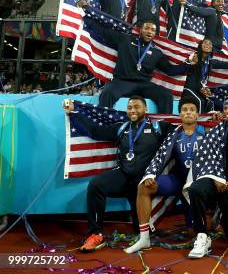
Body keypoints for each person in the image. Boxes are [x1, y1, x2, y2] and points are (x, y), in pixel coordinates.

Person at [63, 96, 174, 252]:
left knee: (140, 229)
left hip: (142, 184)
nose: (133, 110)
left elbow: (182, 129)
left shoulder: (158, 127)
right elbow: (96, 131)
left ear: (146, 109)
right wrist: (74, 113)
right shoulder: (122, 128)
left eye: (137, 107)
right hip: (123, 177)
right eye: (129, 107)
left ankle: (143, 232)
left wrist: (209, 121)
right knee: (96, 185)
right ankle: (95, 234)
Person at [124, 96, 209, 254]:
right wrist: (149, 174)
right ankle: (144, 238)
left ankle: (204, 234)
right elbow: (160, 156)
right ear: (180, 115)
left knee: (194, 228)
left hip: (199, 183)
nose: (188, 113)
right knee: (143, 186)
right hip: (177, 180)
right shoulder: (174, 134)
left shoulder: (207, 132)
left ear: (198, 114)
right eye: (184, 110)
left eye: (192, 110)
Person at [187, 95, 228, 258]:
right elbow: (206, 156)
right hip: (217, 177)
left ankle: (225, 220)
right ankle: (202, 236)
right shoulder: (217, 130)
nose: (227, 111)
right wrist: (216, 178)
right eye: (225, 108)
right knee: (195, 189)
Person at [96, 20, 197, 114]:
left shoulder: (156, 53)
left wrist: (188, 63)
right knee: (107, 92)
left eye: (153, 30)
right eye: (147, 28)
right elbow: (104, 33)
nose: (149, 31)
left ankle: (165, 128)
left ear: (155, 34)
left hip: (143, 85)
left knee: (166, 96)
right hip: (122, 82)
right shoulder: (126, 40)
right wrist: (86, 14)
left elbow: (170, 70)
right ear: (140, 30)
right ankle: (103, 123)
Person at [181, 38, 228, 112]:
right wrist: (190, 61)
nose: (207, 45)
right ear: (200, 46)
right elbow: (189, 72)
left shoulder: (210, 62)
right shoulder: (194, 58)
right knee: (201, 102)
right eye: (205, 43)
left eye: (210, 44)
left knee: (213, 103)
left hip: (201, 90)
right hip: (189, 89)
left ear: (212, 48)